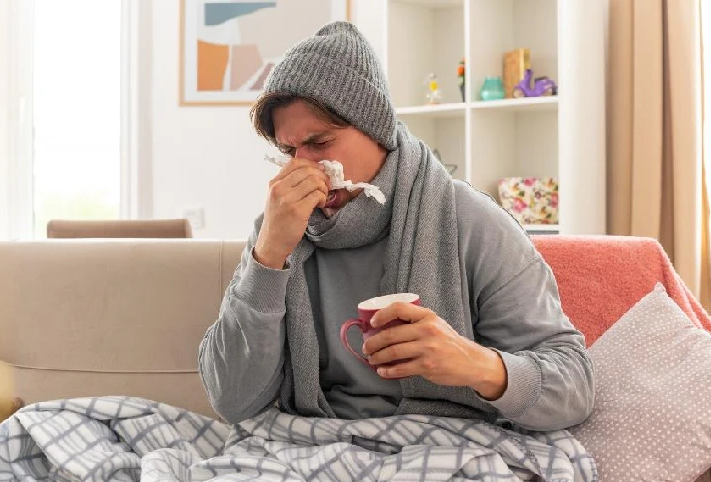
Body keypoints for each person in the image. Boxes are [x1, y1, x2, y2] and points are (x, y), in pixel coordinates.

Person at [197, 21, 594, 432]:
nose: (303, 166)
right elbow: (233, 401)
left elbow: (575, 387)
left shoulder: (472, 221)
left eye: (320, 143)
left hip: (449, 445)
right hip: (316, 445)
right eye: (288, 150)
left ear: (377, 130)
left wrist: (477, 365)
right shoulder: (277, 231)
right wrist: (268, 258)